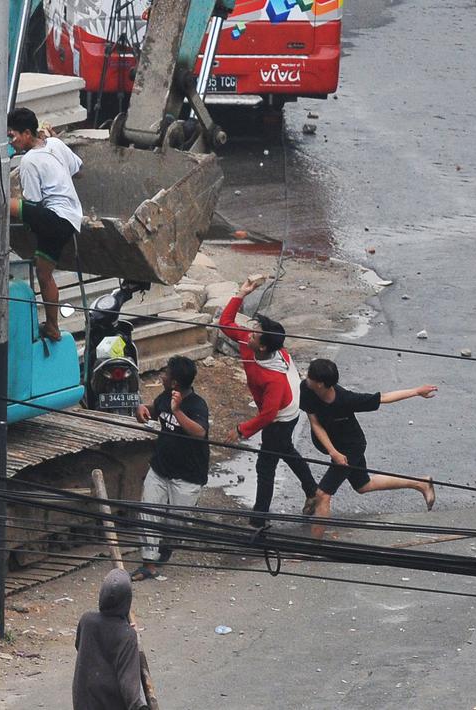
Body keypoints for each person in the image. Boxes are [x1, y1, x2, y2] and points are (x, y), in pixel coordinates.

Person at [220, 277, 320, 526]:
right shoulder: (250, 343)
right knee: (285, 450)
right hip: (279, 407)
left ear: (262, 347)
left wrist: (241, 430)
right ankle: (312, 491)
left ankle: (259, 520)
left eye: (254, 334)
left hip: (282, 416)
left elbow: (268, 414)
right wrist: (241, 294)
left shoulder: (272, 378)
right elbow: (225, 324)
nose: (248, 335)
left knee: (266, 465)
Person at [300, 358, 437, 536]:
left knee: (323, 494)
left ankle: (314, 549)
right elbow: (315, 422)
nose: (306, 378)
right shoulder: (307, 388)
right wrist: (333, 451)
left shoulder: (346, 399)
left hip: (351, 448)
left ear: (320, 384)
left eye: (310, 377)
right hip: (336, 449)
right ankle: (420, 483)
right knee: (363, 485)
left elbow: (384, 398)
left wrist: (417, 391)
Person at [6, 107, 83, 341]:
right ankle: (53, 327)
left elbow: (34, 203)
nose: (12, 141)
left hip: (54, 217)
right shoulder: (55, 145)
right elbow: (78, 169)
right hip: (71, 219)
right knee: (44, 272)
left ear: (27, 133)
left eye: (13, 136)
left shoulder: (29, 161)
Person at [131, 356, 209, 580]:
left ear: (175, 383)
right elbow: (154, 410)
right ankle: (149, 563)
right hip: (160, 469)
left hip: (187, 477)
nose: (161, 376)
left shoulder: (197, 405)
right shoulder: (165, 398)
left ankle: (166, 546)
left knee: (177, 523)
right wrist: (142, 410)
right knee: (148, 512)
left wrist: (178, 412)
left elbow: (199, 432)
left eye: (165, 374)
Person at [72, 568, 148, 710]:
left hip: (84, 702)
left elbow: (80, 646)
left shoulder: (87, 620)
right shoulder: (127, 636)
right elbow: (129, 685)